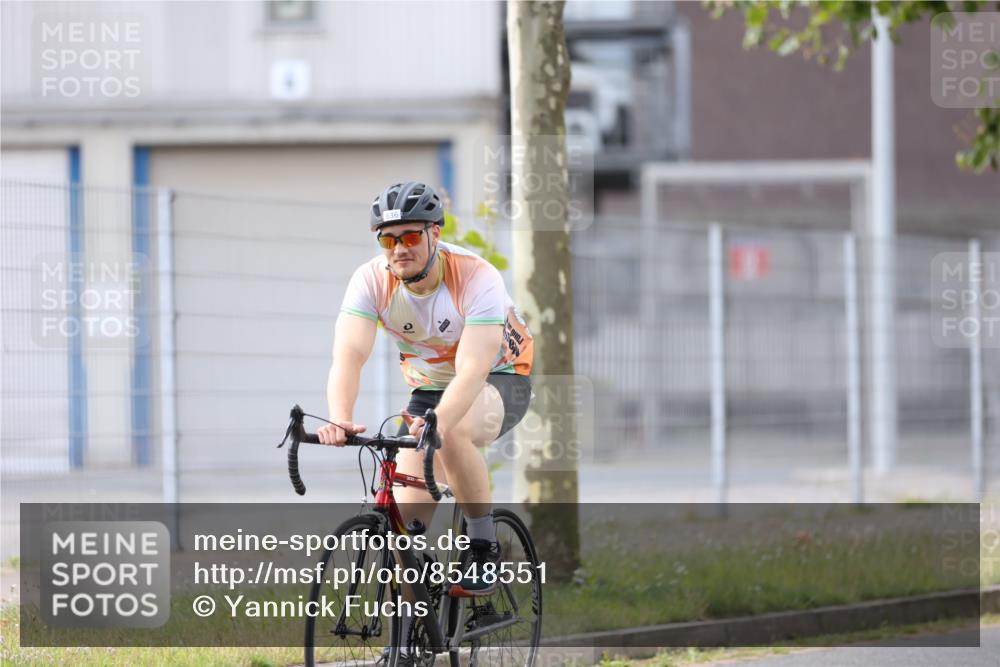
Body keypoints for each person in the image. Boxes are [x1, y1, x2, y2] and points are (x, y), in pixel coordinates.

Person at [317, 181, 533, 648]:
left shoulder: (476, 276)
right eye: (388, 239)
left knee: (451, 432)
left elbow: (474, 366)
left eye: (411, 236)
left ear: (435, 234)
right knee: (403, 525)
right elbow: (349, 354)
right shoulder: (371, 279)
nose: (399, 249)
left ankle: (482, 544)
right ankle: (416, 635)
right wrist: (339, 417)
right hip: (428, 392)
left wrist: (440, 421)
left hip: (499, 379)